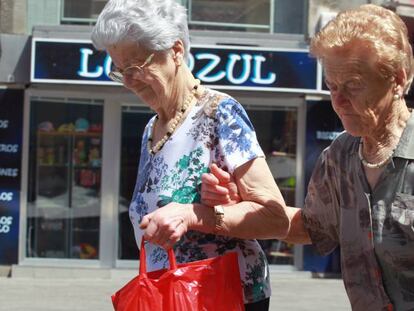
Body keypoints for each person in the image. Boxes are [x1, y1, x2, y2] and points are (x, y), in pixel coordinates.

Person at [201, 4, 414, 311]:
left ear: (397, 79)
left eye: (353, 85)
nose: (338, 102)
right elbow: (310, 227)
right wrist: (238, 205)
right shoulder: (339, 156)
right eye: (332, 86)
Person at [91, 0, 289, 309]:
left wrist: (191, 213)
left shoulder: (219, 114)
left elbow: (275, 219)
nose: (127, 81)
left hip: (221, 296)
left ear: (176, 51)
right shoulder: (152, 128)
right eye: (119, 71)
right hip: (170, 296)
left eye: (135, 67)